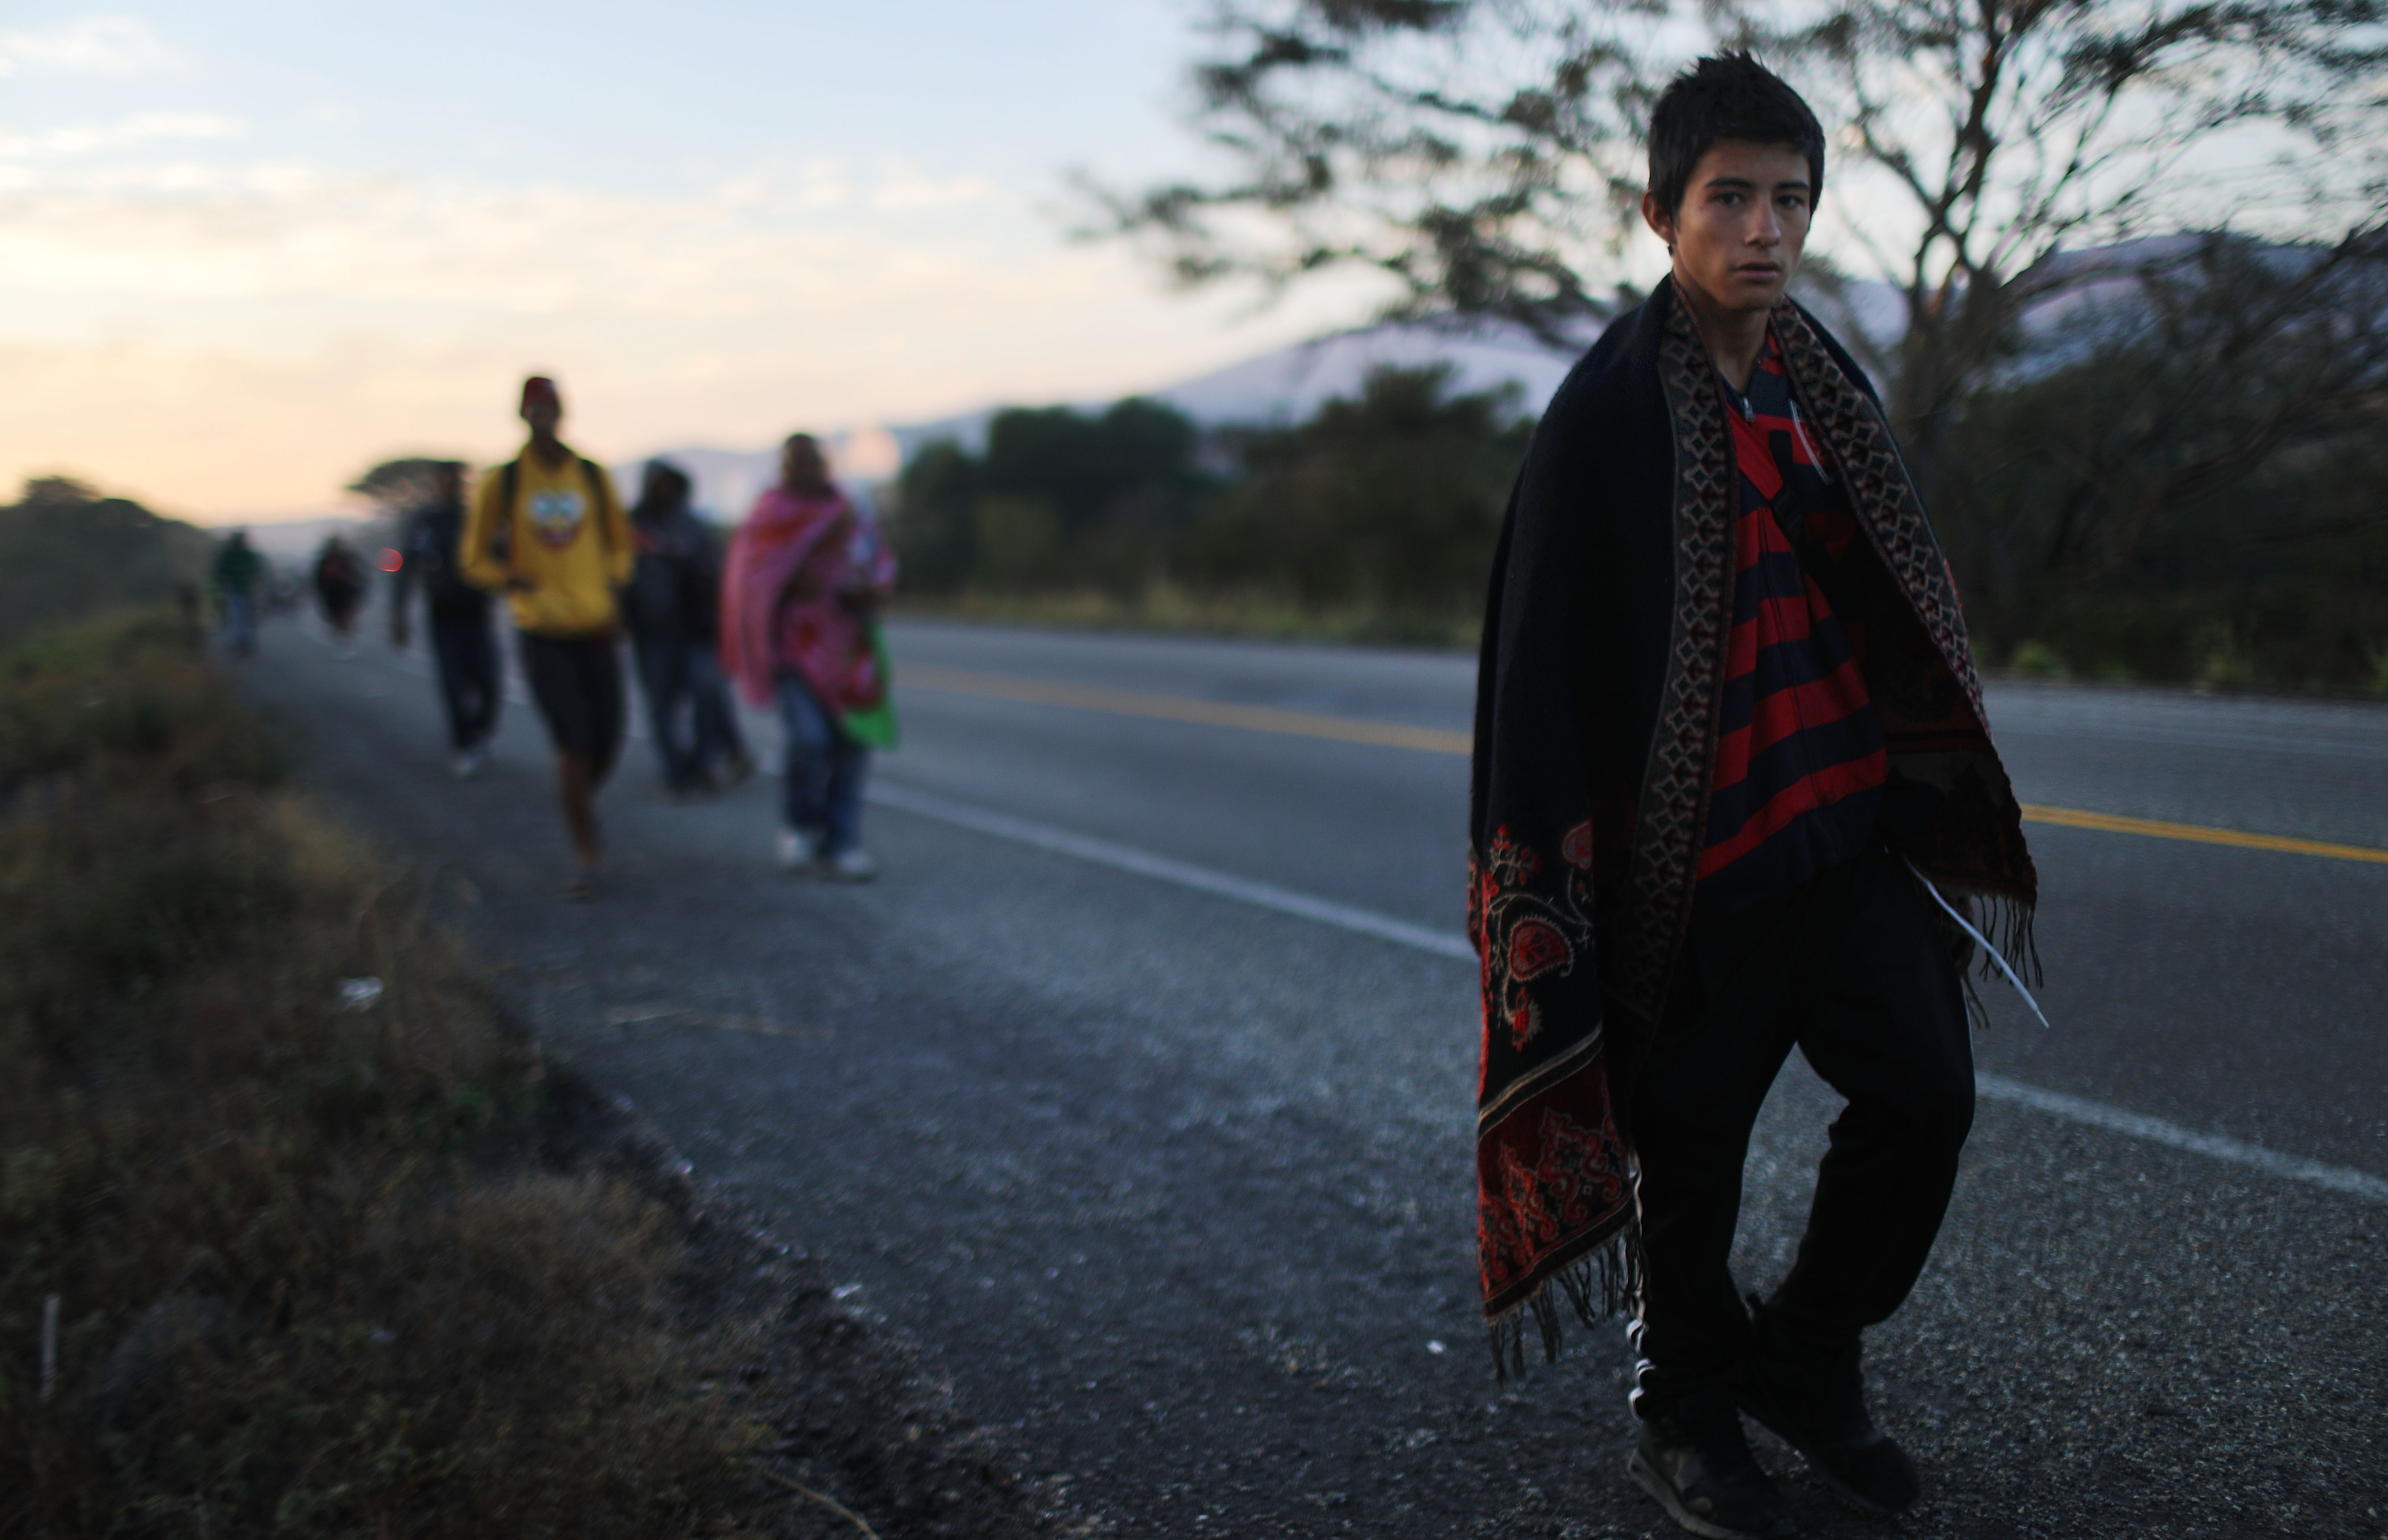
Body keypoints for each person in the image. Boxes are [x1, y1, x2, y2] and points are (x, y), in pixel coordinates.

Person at [1466, 54, 2039, 1540]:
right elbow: (1541, 675)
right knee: (1692, 1163)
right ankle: (1686, 1408)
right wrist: (1565, 899)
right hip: (1697, 878)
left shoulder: (1818, 377)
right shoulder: (1603, 419)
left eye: (1789, 198)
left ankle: (1806, 1352)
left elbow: (1894, 588)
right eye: (1731, 198)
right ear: (1661, 213)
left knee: (1925, 1098)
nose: (1764, 229)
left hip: (1843, 832)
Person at [460, 376, 634, 898]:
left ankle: (579, 800)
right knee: (574, 741)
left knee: (608, 739)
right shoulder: (505, 482)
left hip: (596, 625)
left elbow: (621, 543)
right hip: (542, 629)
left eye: (552, 408)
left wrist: (613, 583)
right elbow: (473, 558)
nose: (544, 417)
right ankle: (585, 850)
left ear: (564, 413)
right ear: (522, 415)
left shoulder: (592, 475)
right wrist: (510, 578)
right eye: (535, 408)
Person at [721, 434, 896, 882]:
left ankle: (841, 842)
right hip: (793, 647)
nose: (806, 469)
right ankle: (799, 826)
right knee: (810, 740)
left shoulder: (850, 510)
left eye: (812, 461)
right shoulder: (770, 514)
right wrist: (792, 579)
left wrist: (869, 588)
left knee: (850, 746)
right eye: (796, 462)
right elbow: (752, 578)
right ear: (784, 468)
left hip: (847, 646)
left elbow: (877, 562)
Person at [622, 459, 753, 799]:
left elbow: (722, 573)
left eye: (671, 484)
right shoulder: (630, 527)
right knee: (663, 705)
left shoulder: (695, 527)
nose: (665, 491)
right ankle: (675, 771)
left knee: (707, 693)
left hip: (698, 630)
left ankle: (706, 763)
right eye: (659, 484)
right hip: (653, 634)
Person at [390, 461, 504, 778]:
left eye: (458, 481)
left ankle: (480, 733)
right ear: (437, 484)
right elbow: (405, 565)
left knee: (490, 683)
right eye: (446, 480)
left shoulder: (477, 517)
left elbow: (501, 554)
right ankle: (463, 744)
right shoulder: (425, 522)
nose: (453, 486)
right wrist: (398, 612)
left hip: (479, 613)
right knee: (454, 684)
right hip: (444, 616)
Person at [211, 529, 264, 658]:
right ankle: (242, 643)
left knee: (242, 617)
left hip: (244, 591)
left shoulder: (238, 554)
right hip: (237, 591)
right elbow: (221, 573)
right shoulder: (234, 555)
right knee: (240, 617)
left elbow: (257, 571)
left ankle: (243, 643)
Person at [312, 536, 367, 649]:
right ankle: (341, 636)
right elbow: (318, 579)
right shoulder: (326, 561)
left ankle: (346, 636)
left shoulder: (347, 559)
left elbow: (359, 575)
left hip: (344, 592)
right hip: (333, 593)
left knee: (344, 613)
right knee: (336, 614)